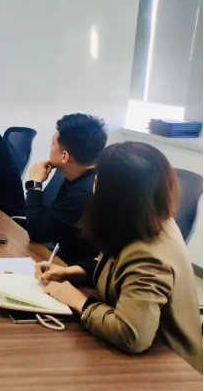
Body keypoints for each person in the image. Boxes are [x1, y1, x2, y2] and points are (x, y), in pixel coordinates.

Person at [36, 142, 202, 373]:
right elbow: (120, 269)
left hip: (169, 367)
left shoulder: (148, 255)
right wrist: (74, 272)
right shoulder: (144, 221)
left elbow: (131, 335)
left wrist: (79, 301)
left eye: (98, 179)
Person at [24, 114, 107, 263]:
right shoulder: (83, 175)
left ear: (64, 156)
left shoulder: (83, 193)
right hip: (65, 256)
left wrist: (35, 184)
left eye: (52, 145)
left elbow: (37, 232)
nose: (50, 149)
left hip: (74, 268)